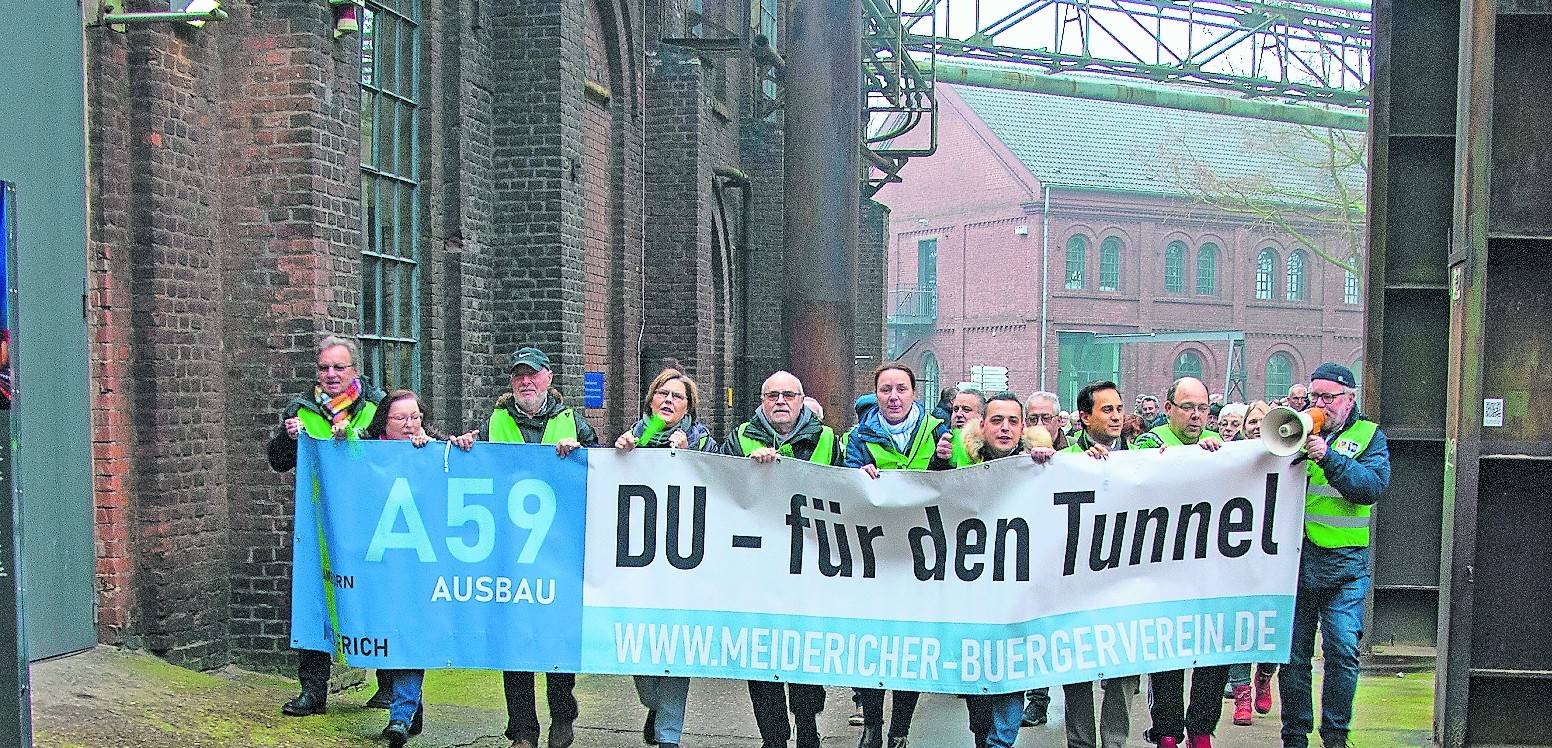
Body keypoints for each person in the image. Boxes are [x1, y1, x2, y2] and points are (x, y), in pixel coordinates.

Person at [483, 346, 598, 748]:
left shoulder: (574, 422)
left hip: (558, 550)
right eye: (518, 376)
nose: (525, 382)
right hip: (508, 550)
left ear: (549, 377)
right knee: (514, 641)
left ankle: (562, 716)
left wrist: (581, 452)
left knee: (554, 637)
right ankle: (522, 730)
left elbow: (598, 473)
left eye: (532, 374)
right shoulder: (494, 422)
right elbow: (473, 469)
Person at [267, 335, 385, 718]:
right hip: (320, 522)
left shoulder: (376, 407)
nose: (331, 374)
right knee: (315, 600)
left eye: (339, 367)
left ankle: (387, 687)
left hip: (370, 520)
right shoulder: (302, 409)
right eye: (324, 367)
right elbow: (279, 462)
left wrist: (355, 437)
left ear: (355, 370)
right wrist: (287, 440)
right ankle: (313, 690)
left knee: (376, 598)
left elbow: (393, 450)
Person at [722, 371, 839, 748]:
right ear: (761, 400)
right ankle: (773, 737)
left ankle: (807, 725)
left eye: (789, 395)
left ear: (803, 400)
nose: (780, 402)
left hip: (808, 565)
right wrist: (747, 471)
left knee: (804, 652)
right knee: (761, 654)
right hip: (756, 565)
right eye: (772, 395)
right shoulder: (739, 439)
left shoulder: (826, 439)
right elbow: (717, 487)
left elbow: (845, 489)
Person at [1280, 364, 1391, 748]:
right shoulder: (1294, 430)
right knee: (1293, 658)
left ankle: (1336, 735)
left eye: (1329, 398)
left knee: (1342, 651)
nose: (1321, 405)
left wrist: (1329, 457)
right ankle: (1295, 735)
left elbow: (1371, 487)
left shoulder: (1369, 436)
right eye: (1315, 397)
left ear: (1350, 398)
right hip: (1295, 563)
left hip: (1345, 565)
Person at [844, 362, 952, 748]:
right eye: (886, 389)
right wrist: (858, 476)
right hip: (874, 556)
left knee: (912, 648)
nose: (893, 396)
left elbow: (955, 483)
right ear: (876, 394)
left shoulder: (939, 432)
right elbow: (844, 488)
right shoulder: (858, 437)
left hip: (920, 557)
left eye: (901, 389)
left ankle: (899, 732)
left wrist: (942, 459)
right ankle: (872, 724)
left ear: (913, 393)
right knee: (870, 645)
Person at [364, 389, 473, 746]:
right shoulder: (366, 450)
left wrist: (451, 445)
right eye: (401, 418)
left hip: (420, 560)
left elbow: (456, 459)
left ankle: (400, 713)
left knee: (412, 629)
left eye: (415, 417)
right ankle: (411, 706)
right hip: (377, 560)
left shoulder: (430, 448)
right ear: (384, 422)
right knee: (386, 631)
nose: (411, 425)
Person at [618, 368, 718, 748]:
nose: (668, 400)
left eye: (677, 396)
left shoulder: (703, 442)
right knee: (641, 650)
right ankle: (655, 706)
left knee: (676, 649)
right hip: (640, 565)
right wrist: (623, 452)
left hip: (684, 565)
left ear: (688, 406)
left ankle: (668, 735)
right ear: (650, 399)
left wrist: (690, 456)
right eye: (662, 393)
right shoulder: (632, 439)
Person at [951, 392, 1053, 748]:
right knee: (979, 690)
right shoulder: (958, 461)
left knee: (1012, 673)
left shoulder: (1041, 462)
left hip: (1018, 592)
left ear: (1023, 427)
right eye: (997, 420)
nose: (1004, 428)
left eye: (1012, 421)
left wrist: (1048, 464)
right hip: (975, 591)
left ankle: (1000, 743)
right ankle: (985, 738)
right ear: (983, 425)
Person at [1132, 377, 1227, 748]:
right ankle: (1168, 732)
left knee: (1215, 649)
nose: (1196, 415)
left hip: (1209, 572)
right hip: (1163, 572)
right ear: (1168, 409)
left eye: (1203, 408)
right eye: (1188, 407)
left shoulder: (1218, 448)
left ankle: (1201, 729)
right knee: (1166, 653)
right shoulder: (1150, 442)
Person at [1059, 380, 1141, 748]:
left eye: (1119, 409)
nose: (1116, 416)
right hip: (1076, 582)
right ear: (1084, 417)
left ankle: (1115, 742)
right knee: (1076, 669)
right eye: (1106, 410)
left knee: (1123, 669)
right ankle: (1080, 742)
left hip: (1124, 581)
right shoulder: (1063, 461)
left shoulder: (1140, 458)